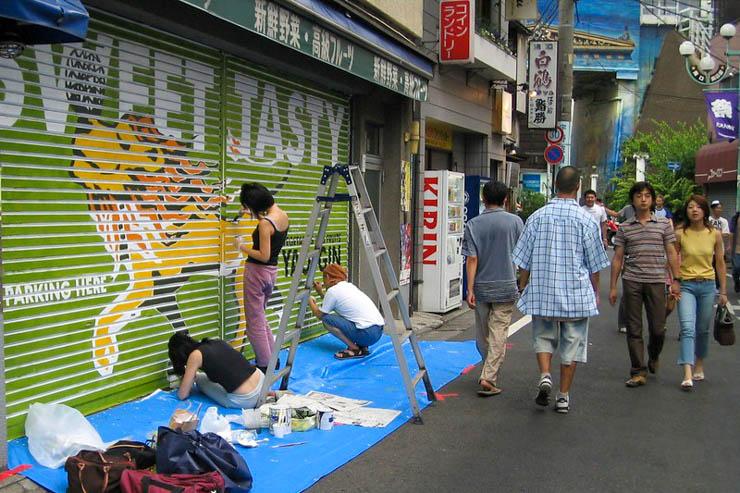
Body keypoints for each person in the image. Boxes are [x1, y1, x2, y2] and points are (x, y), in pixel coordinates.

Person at [513, 166, 609, 414]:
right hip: (576, 294)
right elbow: (595, 264)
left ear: (555, 185)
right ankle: (563, 396)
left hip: (543, 291)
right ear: (578, 186)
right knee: (573, 344)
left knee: (543, 337)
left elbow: (524, 260)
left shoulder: (537, 217)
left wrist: (523, 285)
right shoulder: (587, 220)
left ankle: (545, 374)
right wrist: (595, 291)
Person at [609, 182, 681, 387]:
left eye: (647, 195)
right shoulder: (625, 228)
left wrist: (676, 280)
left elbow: (672, 253)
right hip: (632, 280)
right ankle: (638, 370)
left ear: (652, 200)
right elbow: (617, 258)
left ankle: (654, 355)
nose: (643, 199)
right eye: (639, 195)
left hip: (657, 280)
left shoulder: (664, 224)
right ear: (632, 200)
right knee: (634, 328)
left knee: (658, 328)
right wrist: (613, 286)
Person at [463, 181, 524, 397]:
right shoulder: (515, 222)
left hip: (481, 287)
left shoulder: (473, 224)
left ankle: (488, 369)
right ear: (506, 199)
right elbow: (523, 255)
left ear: (483, 199)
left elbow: (472, 259)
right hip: (507, 285)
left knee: (482, 334)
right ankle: (489, 375)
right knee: (499, 331)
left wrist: (469, 289)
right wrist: (523, 282)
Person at [675, 195, 728, 391]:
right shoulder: (680, 233)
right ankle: (687, 372)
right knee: (687, 328)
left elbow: (720, 263)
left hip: (707, 285)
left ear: (705, 210)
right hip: (686, 284)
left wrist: (723, 291)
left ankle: (699, 363)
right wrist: (674, 281)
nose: (694, 210)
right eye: (690, 207)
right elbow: (673, 258)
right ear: (686, 211)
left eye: (698, 207)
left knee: (703, 329)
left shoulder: (714, 234)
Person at [235, 183, 289, 373]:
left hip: (257, 272)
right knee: (260, 316)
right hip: (270, 273)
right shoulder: (282, 216)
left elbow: (263, 255)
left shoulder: (265, 224)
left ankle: (264, 364)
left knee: (254, 322)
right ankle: (272, 358)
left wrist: (242, 247)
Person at [168, 331, 265, 408]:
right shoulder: (216, 341)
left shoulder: (194, 356)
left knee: (199, 379)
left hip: (247, 400)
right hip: (263, 383)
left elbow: (182, 395)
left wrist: (186, 378)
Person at [309, 264, 385, 359]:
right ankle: (361, 346)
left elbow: (319, 315)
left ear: (328, 277)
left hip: (367, 334)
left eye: (324, 278)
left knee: (326, 319)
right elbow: (332, 304)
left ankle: (354, 349)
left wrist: (309, 300)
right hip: (378, 332)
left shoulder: (332, 291)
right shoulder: (349, 286)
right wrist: (320, 292)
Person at [731, 211, 740, 293]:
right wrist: (730, 246)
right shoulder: (736, 217)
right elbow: (731, 232)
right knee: (737, 267)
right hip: (737, 248)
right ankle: (737, 282)